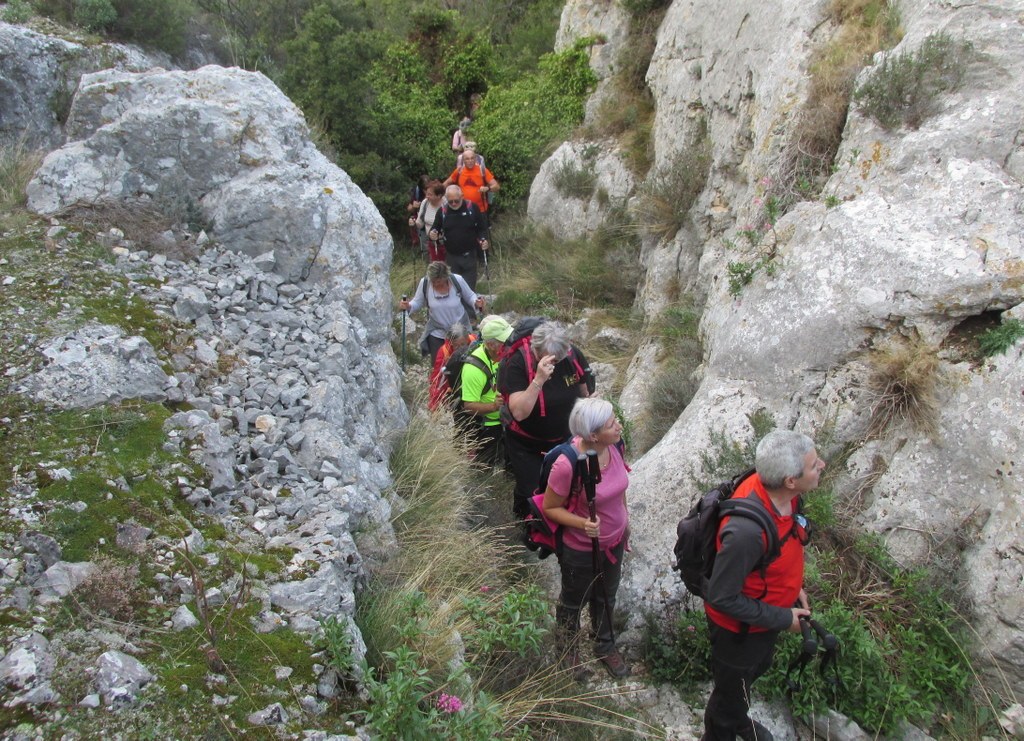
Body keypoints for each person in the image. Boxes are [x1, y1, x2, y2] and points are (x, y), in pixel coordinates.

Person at [702, 430, 822, 741]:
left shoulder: (784, 496)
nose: (821, 465)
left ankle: (737, 716)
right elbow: (721, 597)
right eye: (813, 465)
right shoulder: (745, 532)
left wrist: (792, 587)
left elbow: (782, 545)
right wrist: (784, 619)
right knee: (732, 689)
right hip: (739, 633)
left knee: (749, 676)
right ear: (790, 480)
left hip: (762, 619)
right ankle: (724, 728)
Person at [542, 397, 630, 679]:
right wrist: (583, 523)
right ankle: (567, 654)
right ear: (593, 435)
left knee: (607, 596)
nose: (618, 426)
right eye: (611, 424)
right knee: (573, 602)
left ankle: (604, 645)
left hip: (613, 543)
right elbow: (550, 507)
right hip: (580, 549)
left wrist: (625, 523)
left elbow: (620, 488)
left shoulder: (614, 446)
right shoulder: (567, 465)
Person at [498, 322, 594, 518]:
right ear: (535, 349)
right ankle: (526, 527)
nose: (554, 363)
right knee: (531, 491)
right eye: (548, 359)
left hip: (564, 438)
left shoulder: (571, 356)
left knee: (564, 487)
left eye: (558, 360)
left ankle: (556, 533)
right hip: (526, 442)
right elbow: (519, 413)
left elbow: (585, 392)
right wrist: (538, 380)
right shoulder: (518, 362)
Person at [398, 261, 484, 366]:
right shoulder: (425, 283)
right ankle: (438, 382)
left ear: (446, 277)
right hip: (437, 333)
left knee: (465, 363)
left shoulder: (457, 280)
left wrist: (476, 302)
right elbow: (417, 302)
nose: (435, 283)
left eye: (438, 281)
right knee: (439, 365)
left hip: (461, 332)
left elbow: (470, 296)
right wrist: (408, 306)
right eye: (433, 281)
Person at [457, 315, 512, 465]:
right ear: (490, 344)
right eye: (504, 341)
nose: (509, 343)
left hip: (508, 421)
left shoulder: (506, 356)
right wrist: (494, 406)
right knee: (485, 468)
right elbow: (468, 406)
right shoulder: (474, 368)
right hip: (488, 426)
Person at [429, 185, 489, 290]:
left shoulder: (472, 208)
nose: (453, 204)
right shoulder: (442, 211)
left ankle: (469, 306)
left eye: (456, 201)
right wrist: (433, 234)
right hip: (451, 258)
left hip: (469, 256)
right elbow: (435, 229)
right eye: (450, 201)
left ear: (462, 196)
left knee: (469, 290)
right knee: (455, 289)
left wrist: (484, 240)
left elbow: (481, 228)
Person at [444, 148, 499, 230]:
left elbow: (496, 186)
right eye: (467, 159)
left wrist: (487, 188)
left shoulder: (482, 170)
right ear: (463, 160)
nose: (470, 161)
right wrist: (439, 193)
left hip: (480, 210)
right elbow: (447, 183)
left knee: (482, 235)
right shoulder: (459, 171)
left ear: (475, 159)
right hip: (462, 209)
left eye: (472, 158)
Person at [428, 322, 475, 412]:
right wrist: (434, 404)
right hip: (453, 384)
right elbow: (437, 379)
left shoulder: (474, 342)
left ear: (467, 339)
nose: (460, 348)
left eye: (463, 344)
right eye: (456, 345)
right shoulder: (444, 352)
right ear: (451, 342)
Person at [414, 180, 446, 262]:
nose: (426, 196)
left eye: (430, 194)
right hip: (430, 241)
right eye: (426, 193)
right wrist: (413, 222)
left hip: (445, 243)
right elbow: (420, 223)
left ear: (439, 196)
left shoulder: (446, 204)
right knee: (434, 266)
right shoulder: (425, 203)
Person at [406, 175, 429, 254]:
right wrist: (414, 206)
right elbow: (409, 208)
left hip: (432, 220)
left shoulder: (434, 192)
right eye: (425, 189)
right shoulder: (417, 193)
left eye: (428, 188)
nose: (427, 191)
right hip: (421, 221)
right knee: (425, 245)